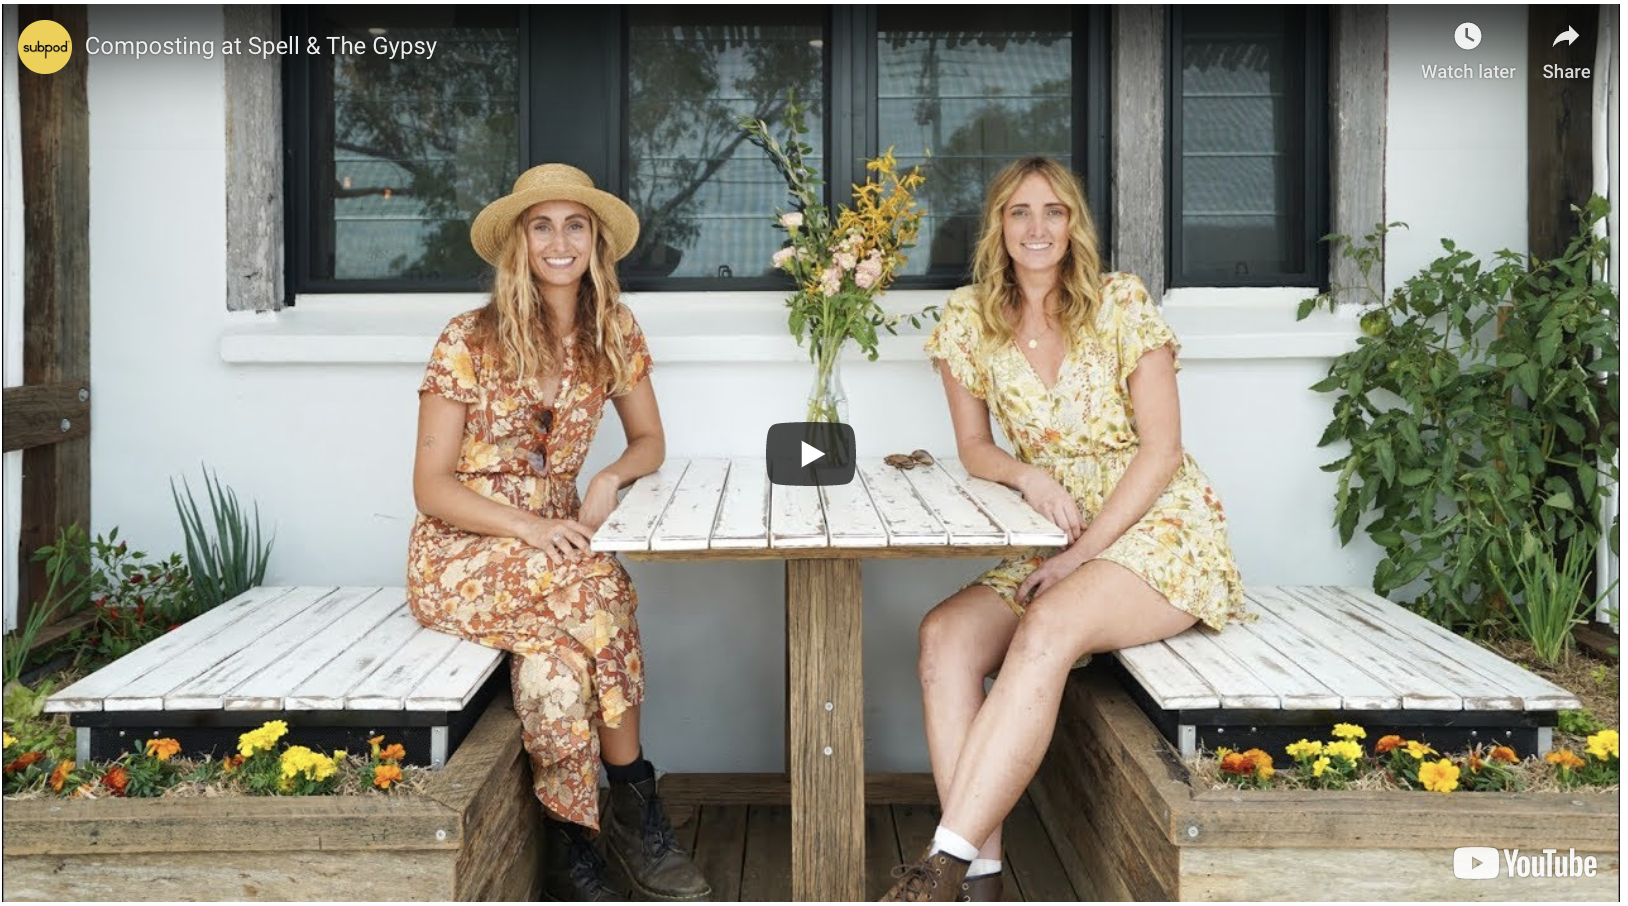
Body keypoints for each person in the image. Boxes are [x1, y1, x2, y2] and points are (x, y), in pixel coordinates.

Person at [884, 157, 1249, 902]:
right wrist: (1030, 476)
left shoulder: (1120, 305)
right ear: (999, 227)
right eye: (1020, 212)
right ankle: (978, 874)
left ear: (1074, 223)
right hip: (1054, 527)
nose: (1038, 227)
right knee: (944, 637)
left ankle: (938, 866)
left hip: (1156, 525)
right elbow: (976, 449)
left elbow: (1161, 452)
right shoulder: (969, 319)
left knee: (1045, 623)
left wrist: (1081, 553)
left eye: (1054, 211)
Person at [408, 164, 711, 902]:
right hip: (462, 554)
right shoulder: (467, 340)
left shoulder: (613, 331)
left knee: (554, 672)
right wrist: (529, 525)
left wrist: (607, 478)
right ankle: (638, 806)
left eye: (575, 225)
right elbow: (431, 486)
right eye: (541, 225)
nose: (559, 240)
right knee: (601, 582)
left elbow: (649, 440)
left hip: (558, 546)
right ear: (518, 242)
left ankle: (570, 849)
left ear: (595, 242)